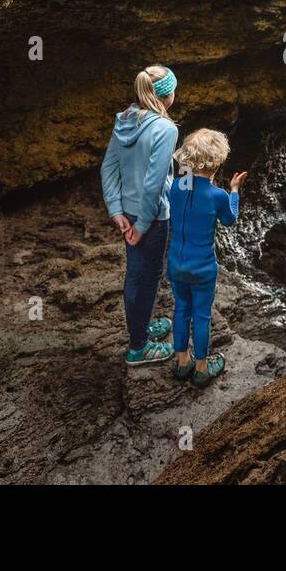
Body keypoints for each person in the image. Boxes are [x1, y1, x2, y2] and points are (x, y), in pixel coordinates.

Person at [100, 64, 179, 366]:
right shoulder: (166, 129)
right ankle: (139, 347)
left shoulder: (125, 119)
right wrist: (144, 225)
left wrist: (115, 209)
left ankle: (140, 327)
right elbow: (154, 184)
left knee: (135, 274)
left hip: (129, 212)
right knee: (147, 278)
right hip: (152, 218)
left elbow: (108, 167)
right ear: (167, 95)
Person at [166, 128, 246, 387]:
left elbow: (188, 183)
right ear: (218, 163)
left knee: (181, 310)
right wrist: (234, 191)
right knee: (201, 316)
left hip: (176, 264)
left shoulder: (177, 187)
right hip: (202, 269)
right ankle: (201, 368)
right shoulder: (218, 196)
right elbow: (230, 219)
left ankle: (182, 362)